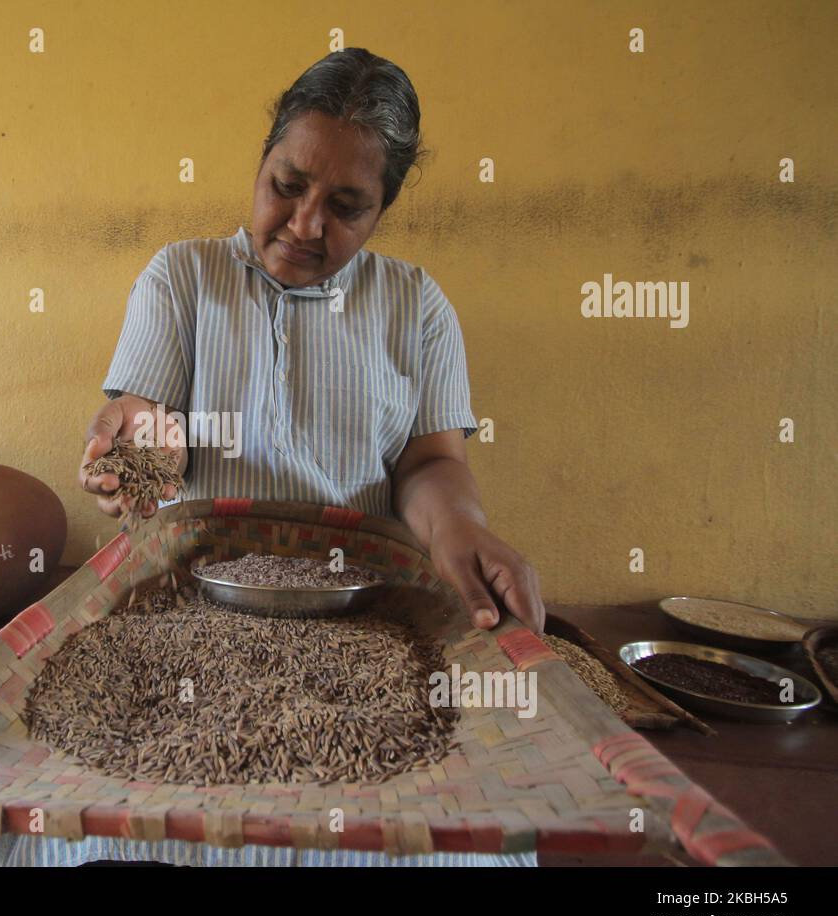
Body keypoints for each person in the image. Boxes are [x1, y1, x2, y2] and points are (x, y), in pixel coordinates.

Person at [42, 47, 542, 868]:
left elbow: (429, 465)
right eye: (288, 186)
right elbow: (148, 417)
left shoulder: (415, 306)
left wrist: (461, 528)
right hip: (188, 609)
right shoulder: (185, 279)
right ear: (262, 163)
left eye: (346, 205)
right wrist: (139, 446)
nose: (307, 225)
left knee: (464, 834)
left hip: (362, 617)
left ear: (384, 209)